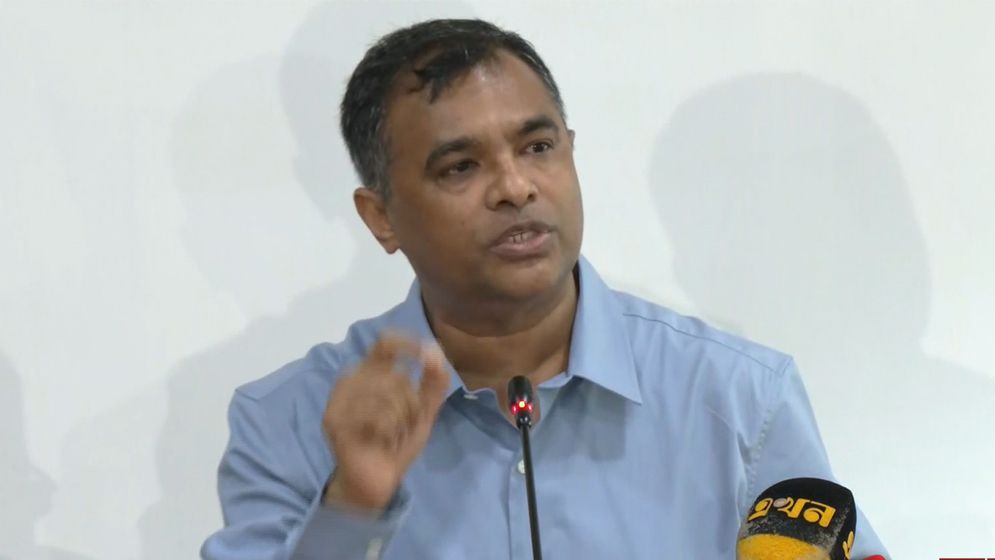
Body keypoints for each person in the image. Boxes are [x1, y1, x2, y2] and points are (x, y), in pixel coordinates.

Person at [201, 18, 888, 559]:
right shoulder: (289, 421)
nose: (515, 187)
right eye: (460, 166)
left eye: (537, 147)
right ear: (380, 217)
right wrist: (352, 508)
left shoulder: (738, 398)